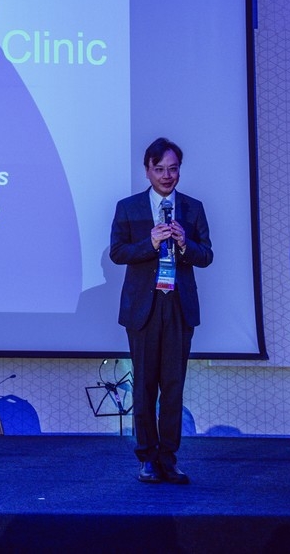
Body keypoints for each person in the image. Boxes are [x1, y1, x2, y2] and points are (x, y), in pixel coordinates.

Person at [105, 137, 212, 484]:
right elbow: (117, 252)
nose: (167, 176)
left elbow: (206, 255)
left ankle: (169, 457)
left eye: (173, 169)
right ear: (147, 170)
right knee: (144, 386)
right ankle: (147, 458)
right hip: (143, 308)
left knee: (174, 385)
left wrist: (185, 243)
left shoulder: (193, 208)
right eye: (160, 169)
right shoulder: (129, 207)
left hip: (179, 306)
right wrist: (150, 243)